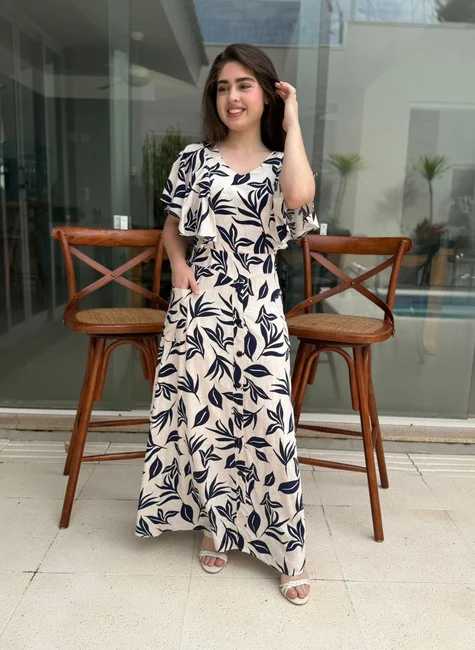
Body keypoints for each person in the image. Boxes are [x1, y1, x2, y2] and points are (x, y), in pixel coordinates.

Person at [136, 43, 318, 605]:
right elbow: (173, 226)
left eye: (243, 85)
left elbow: (299, 198)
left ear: (265, 94)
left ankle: (287, 550)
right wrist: (178, 265)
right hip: (201, 302)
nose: (232, 97)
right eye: (222, 87)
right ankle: (216, 524)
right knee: (207, 421)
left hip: (258, 304)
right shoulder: (193, 159)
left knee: (270, 425)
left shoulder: (280, 163)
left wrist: (292, 123)